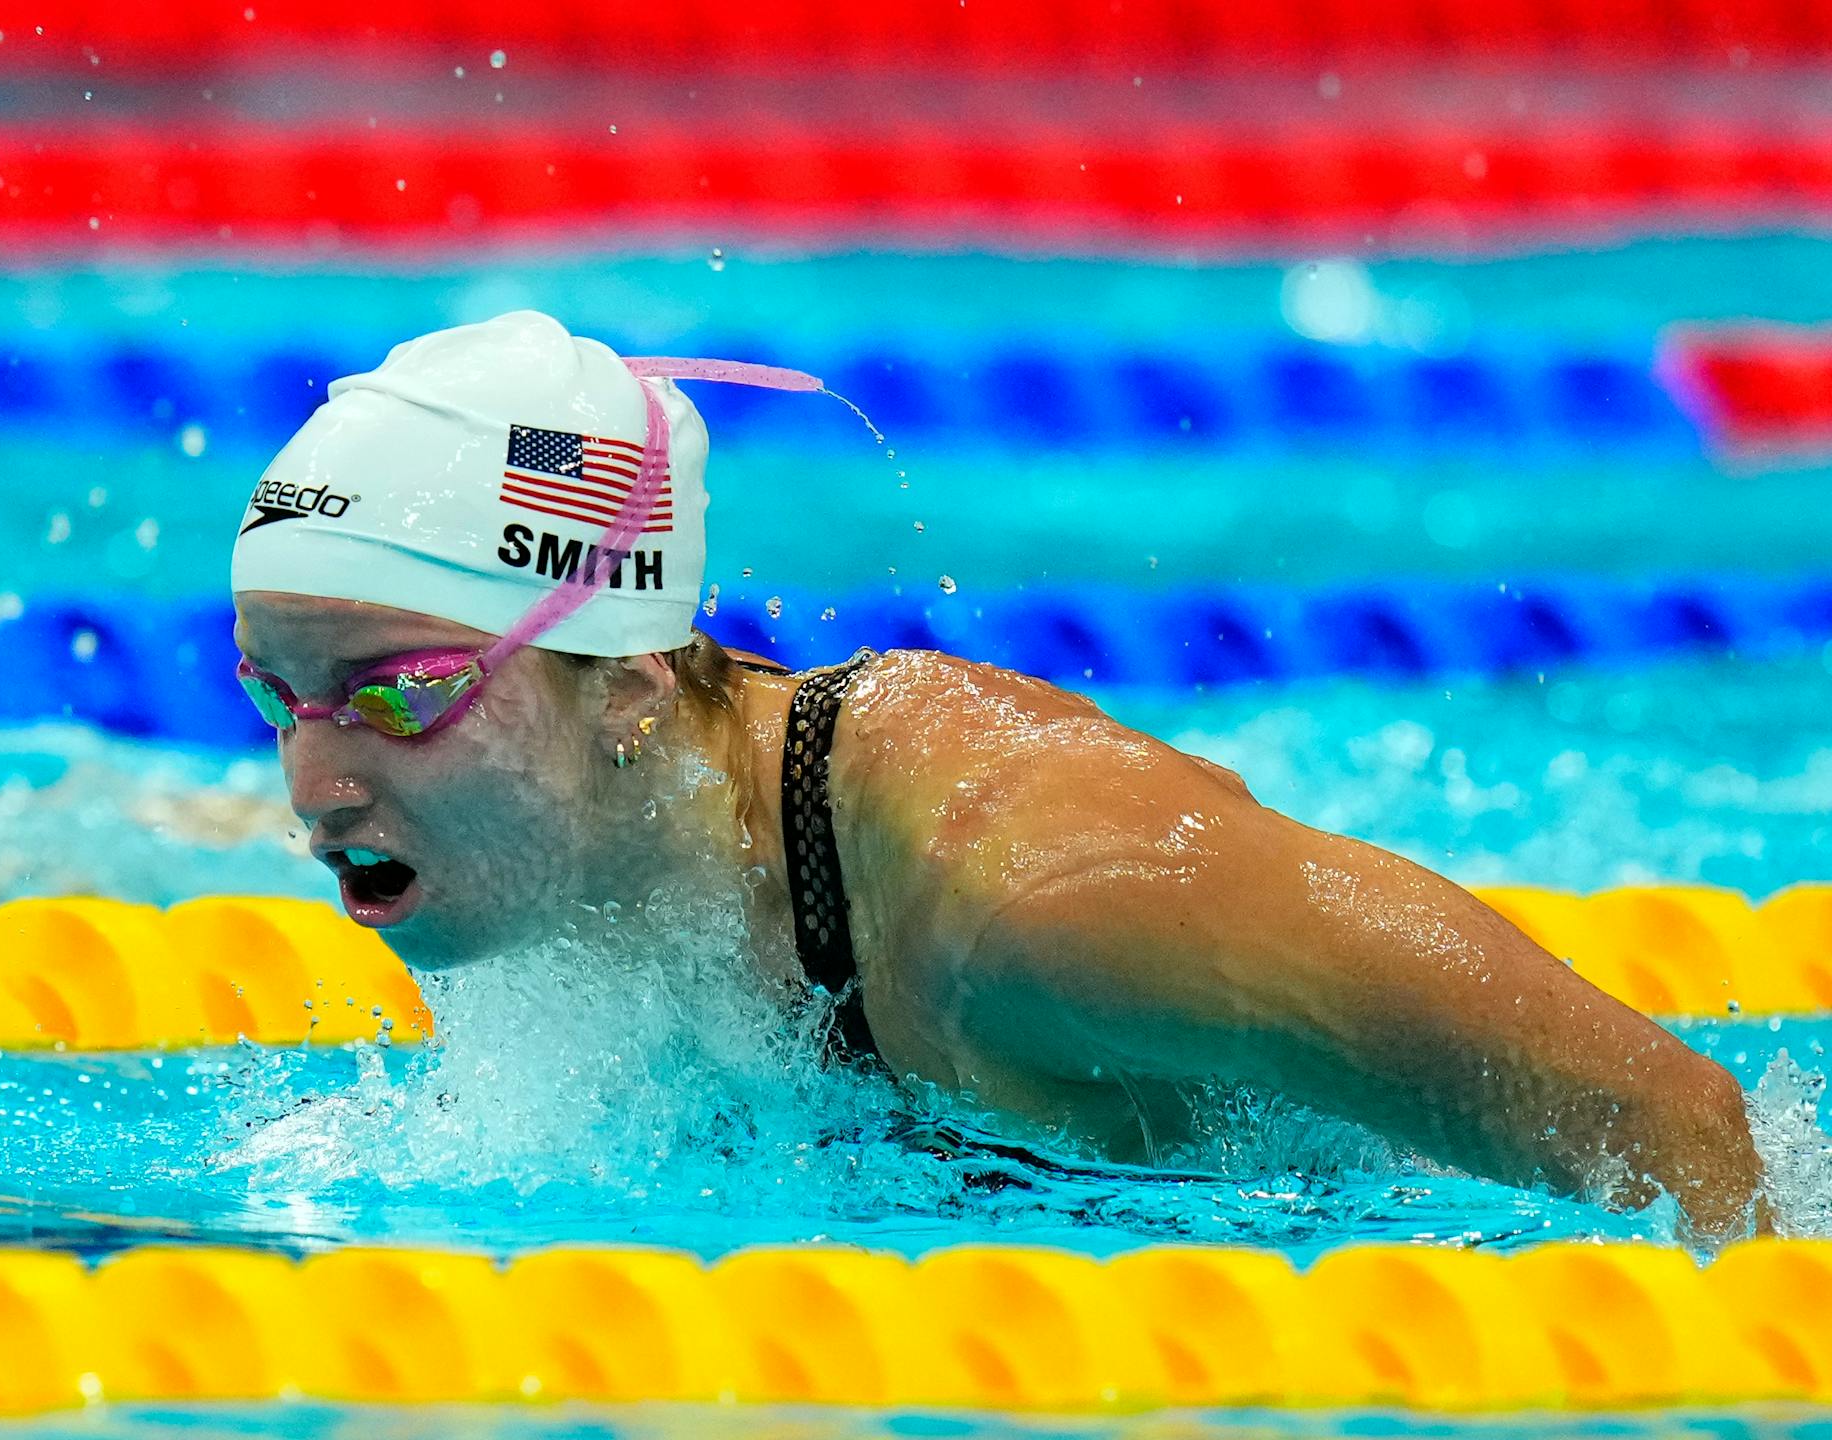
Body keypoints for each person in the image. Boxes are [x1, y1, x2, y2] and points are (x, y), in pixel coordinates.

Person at [230, 309, 1769, 1237]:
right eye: (275, 696)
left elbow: (1683, 1133)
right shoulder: (573, 854)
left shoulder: (1033, 897)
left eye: (398, 695)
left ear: (626, 688)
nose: (316, 787)